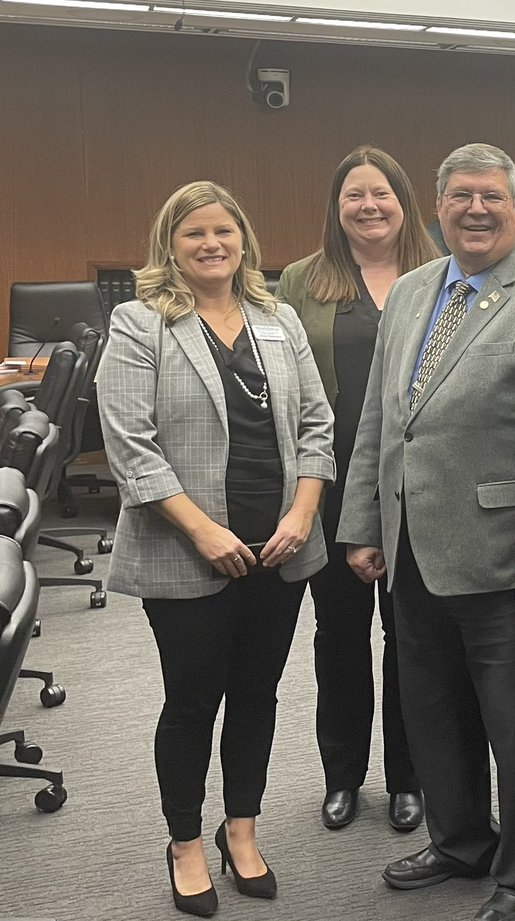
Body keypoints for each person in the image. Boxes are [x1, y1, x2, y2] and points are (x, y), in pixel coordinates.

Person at [337, 143, 515, 921]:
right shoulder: (415, 291)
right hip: (414, 548)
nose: (476, 209)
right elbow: (384, 424)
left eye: (492, 197)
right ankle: (460, 840)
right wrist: (363, 523)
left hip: (508, 557)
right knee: (430, 710)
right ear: (439, 207)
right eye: (460, 196)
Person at [96, 181, 335, 917]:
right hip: (188, 550)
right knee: (193, 699)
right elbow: (130, 445)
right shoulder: (140, 324)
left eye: (223, 233)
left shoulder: (278, 317)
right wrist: (202, 529)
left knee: (257, 695)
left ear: (243, 242)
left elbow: (316, 424)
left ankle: (242, 827)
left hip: (279, 546)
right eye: (194, 233)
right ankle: (184, 840)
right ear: (170, 244)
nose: (211, 245)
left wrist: (302, 512)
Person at [276, 145, 440, 833]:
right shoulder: (299, 282)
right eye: (354, 196)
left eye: (382, 193)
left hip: (421, 493)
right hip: (331, 490)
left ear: (405, 202)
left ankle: (410, 779)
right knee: (339, 637)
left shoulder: (442, 277)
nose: (369, 206)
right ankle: (342, 776)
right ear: (335, 208)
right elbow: (283, 388)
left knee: (413, 639)